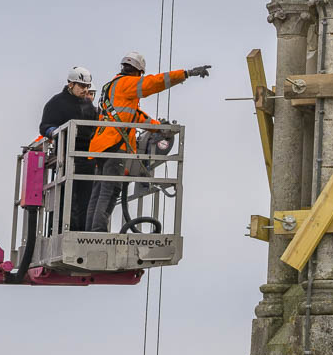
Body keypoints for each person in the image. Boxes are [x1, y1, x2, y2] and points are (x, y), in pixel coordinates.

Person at [85, 52, 212, 230]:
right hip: (115, 145)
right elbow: (156, 82)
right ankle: (97, 233)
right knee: (109, 191)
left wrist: (159, 128)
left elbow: (135, 116)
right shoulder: (128, 83)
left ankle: (91, 231)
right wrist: (186, 74)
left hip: (101, 145)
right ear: (138, 72)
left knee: (98, 191)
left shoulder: (112, 85)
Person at [39, 66, 101, 230]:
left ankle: (84, 232)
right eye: (81, 86)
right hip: (65, 158)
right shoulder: (57, 103)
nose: (85, 90)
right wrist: (53, 131)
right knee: (65, 198)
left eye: (87, 87)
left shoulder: (88, 106)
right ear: (71, 84)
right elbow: (44, 126)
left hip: (87, 159)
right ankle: (60, 229)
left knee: (87, 199)